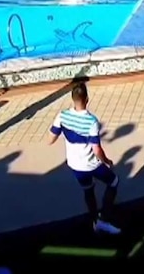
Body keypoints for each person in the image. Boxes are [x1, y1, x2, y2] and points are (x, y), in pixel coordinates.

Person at [48, 82, 121, 235]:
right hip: (91, 164)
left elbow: (50, 139)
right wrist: (107, 162)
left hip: (75, 165)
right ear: (87, 99)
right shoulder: (91, 121)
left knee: (88, 191)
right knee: (113, 182)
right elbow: (96, 149)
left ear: (72, 99)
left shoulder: (62, 116)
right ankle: (104, 219)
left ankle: (95, 222)